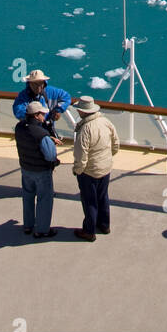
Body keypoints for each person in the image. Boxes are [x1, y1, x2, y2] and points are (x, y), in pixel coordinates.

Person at [72, 95, 119, 241]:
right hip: (105, 168)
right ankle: (104, 225)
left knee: (89, 201)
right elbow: (115, 144)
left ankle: (89, 231)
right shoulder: (106, 122)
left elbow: (81, 154)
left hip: (90, 172)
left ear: (83, 112)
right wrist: (107, 158)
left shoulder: (85, 129)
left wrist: (78, 170)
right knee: (103, 197)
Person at [15, 100, 61, 238]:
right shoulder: (41, 134)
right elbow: (50, 155)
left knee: (28, 197)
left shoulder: (19, 127)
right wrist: (54, 159)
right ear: (36, 115)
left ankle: (28, 225)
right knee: (44, 199)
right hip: (41, 171)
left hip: (26, 168)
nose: (44, 116)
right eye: (42, 113)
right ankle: (42, 229)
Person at [12, 69, 72, 134]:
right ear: (29, 83)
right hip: (30, 131)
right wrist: (34, 117)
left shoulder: (51, 91)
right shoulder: (23, 96)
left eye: (41, 83)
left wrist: (58, 110)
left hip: (47, 130)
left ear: (44, 83)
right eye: (35, 84)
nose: (38, 87)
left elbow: (66, 97)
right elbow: (18, 111)